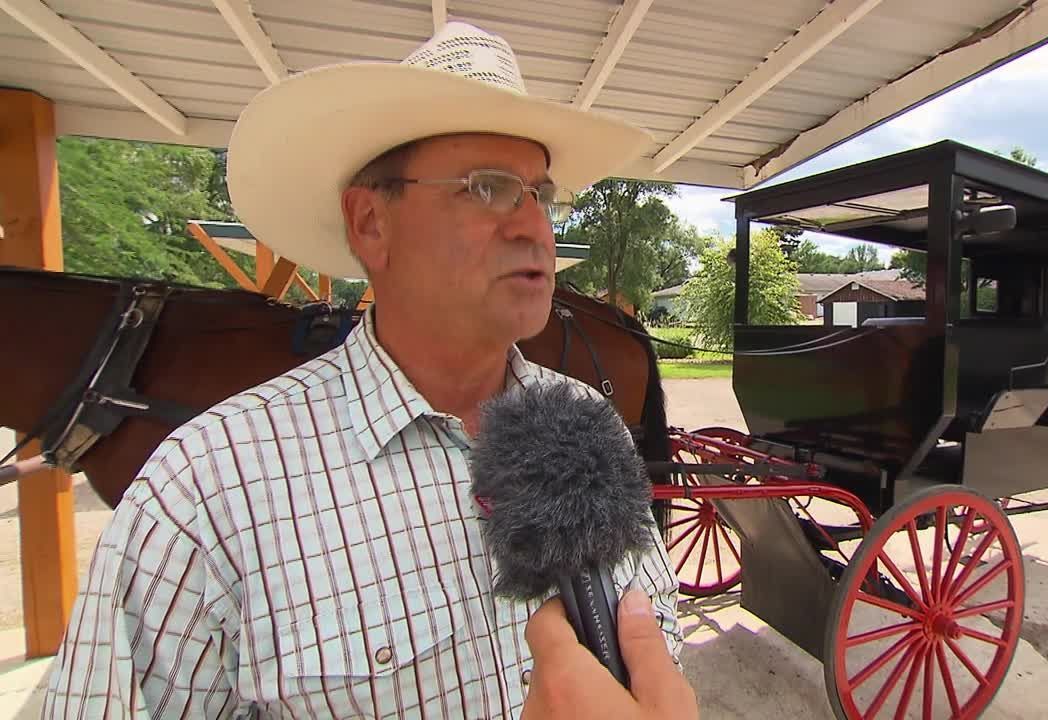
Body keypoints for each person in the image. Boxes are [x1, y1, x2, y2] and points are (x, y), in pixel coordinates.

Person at [42, 21, 694, 719]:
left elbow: (660, 644)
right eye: (489, 188)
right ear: (370, 223)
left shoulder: (589, 423)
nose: (535, 226)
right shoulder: (206, 492)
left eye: (540, 194)